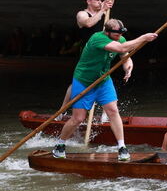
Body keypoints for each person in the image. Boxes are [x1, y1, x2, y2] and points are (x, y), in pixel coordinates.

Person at [52, 19, 157, 161]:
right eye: (116, 34)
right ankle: (60, 145)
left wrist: (128, 67)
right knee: (78, 118)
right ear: (107, 32)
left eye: (121, 33)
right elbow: (121, 48)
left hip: (103, 80)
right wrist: (144, 38)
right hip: (84, 81)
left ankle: (122, 147)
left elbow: (125, 56)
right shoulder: (97, 38)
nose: (120, 36)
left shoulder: (120, 38)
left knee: (113, 111)